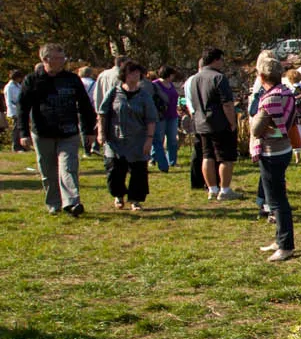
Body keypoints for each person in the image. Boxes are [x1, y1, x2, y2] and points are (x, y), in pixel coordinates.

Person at [18, 43, 96, 215]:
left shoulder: (72, 79)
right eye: (58, 58)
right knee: (48, 170)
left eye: (63, 58)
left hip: (68, 132)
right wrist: (23, 133)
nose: (62, 61)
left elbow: (84, 106)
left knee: (68, 167)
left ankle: (72, 203)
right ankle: (54, 203)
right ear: (45, 59)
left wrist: (89, 131)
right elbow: (23, 108)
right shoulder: (33, 80)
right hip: (43, 132)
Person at [248, 52, 298, 262]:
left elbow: (257, 129)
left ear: (261, 77)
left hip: (272, 152)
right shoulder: (286, 92)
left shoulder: (268, 98)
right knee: (277, 199)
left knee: (277, 201)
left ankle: (286, 245)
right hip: (284, 148)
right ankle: (279, 239)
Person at [98, 59, 159, 211]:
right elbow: (102, 113)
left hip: (138, 139)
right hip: (116, 139)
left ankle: (135, 200)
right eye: (132, 73)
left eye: (138, 73)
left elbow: (151, 119)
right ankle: (118, 196)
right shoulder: (114, 93)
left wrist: (149, 140)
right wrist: (101, 133)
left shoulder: (144, 96)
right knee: (115, 170)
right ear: (124, 74)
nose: (135, 76)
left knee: (139, 171)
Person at [187, 48, 241, 201]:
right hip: (219, 122)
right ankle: (225, 190)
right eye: (221, 60)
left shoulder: (194, 79)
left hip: (201, 122)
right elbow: (227, 104)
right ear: (216, 60)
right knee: (225, 157)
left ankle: (212, 188)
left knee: (207, 155)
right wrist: (232, 122)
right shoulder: (219, 77)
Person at [148, 67, 181, 170]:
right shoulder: (155, 84)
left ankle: (172, 161)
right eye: (172, 74)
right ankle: (153, 159)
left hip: (172, 115)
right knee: (159, 138)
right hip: (160, 116)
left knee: (172, 139)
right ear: (168, 74)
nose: (173, 77)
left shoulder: (171, 84)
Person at [4, 69, 22, 152]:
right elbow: (9, 101)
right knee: (16, 129)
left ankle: (20, 145)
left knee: (20, 128)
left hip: (19, 109)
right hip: (14, 110)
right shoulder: (9, 87)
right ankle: (15, 146)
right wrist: (12, 112)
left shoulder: (18, 85)